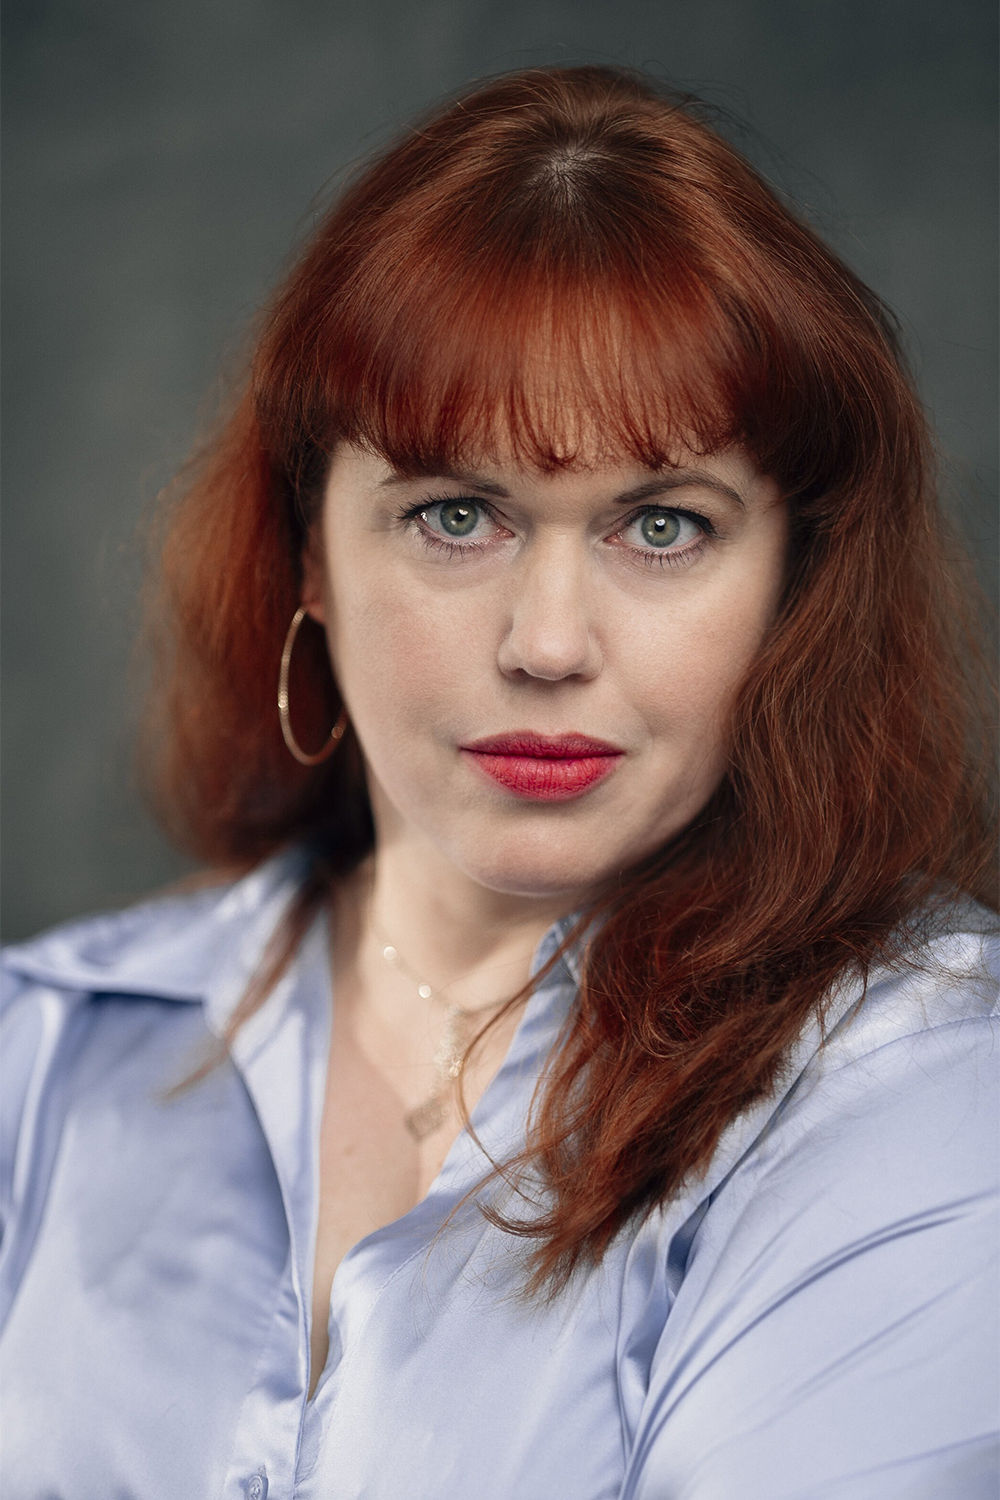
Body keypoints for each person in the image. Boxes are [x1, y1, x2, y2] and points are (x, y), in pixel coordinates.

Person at [1, 64, 996, 1500]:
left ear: (793, 583)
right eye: (456, 516)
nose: (547, 644)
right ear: (309, 555)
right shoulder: (42, 1052)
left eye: (663, 525)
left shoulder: (927, 1083)